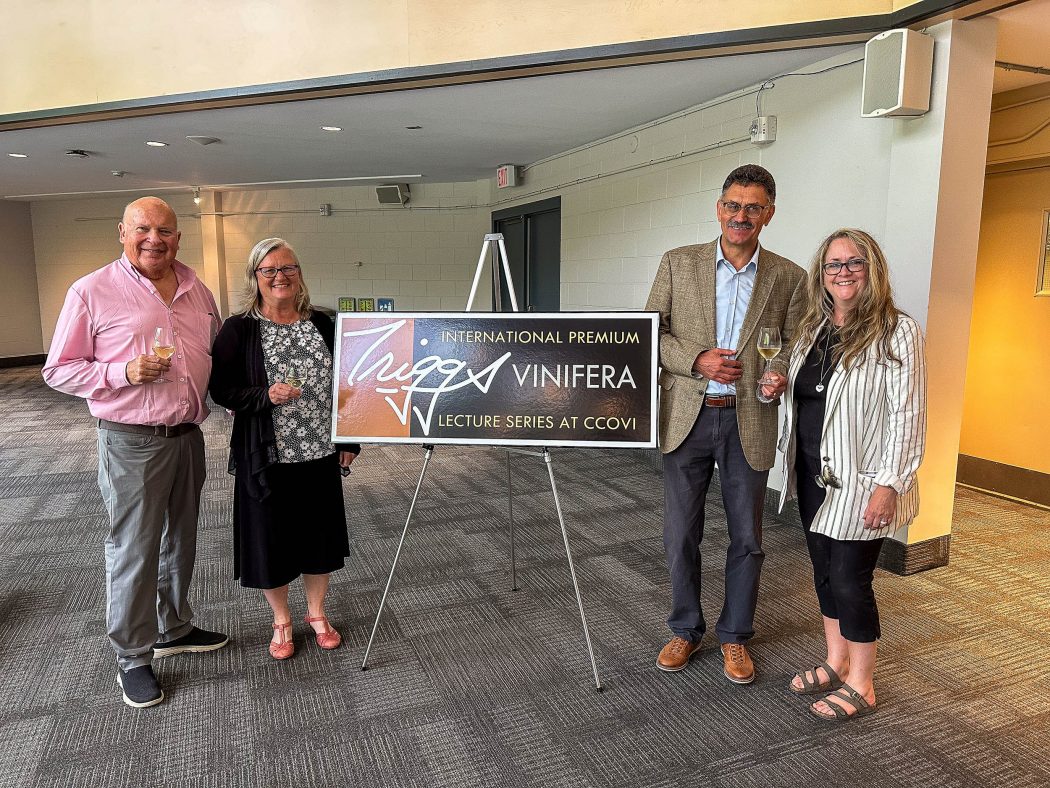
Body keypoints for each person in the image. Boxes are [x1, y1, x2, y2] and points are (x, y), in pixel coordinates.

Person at [43, 196, 228, 709]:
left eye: (165, 231)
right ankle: (132, 656)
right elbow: (58, 369)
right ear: (121, 232)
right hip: (130, 441)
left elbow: (213, 357)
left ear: (178, 238)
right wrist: (119, 373)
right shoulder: (91, 291)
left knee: (182, 541)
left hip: (187, 436)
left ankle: (173, 626)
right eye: (143, 229)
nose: (155, 239)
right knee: (135, 549)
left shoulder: (197, 288)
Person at [645, 165, 806, 683]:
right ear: (719, 208)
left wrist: (778, 373)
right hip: (687, 417)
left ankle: (736, 636)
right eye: (733, 206)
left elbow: (793, 342)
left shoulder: (788, 276)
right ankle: (685, 629)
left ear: (769, 214)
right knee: (680, 534)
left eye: (753, 207)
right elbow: (651, 333)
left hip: (749, 420)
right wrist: (696, 360)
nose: (741, 216)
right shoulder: (678, 264)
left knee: (748, 537)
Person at [767, 228, 926, 721]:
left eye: (854, 263)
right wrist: (778, 386)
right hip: (813, 474)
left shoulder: (896, 331)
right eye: (833, 265)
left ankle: (863, 682)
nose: (843, 272)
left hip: (863, 482)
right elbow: (811, 396)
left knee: (850, 579)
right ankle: (836, 661)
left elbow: (908, 415)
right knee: (822, 574)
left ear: (872, 269)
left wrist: (889, 484)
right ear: (822, 274)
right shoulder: (814, 328)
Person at [209, 238, 359, 661]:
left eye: (287, 268)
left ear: (299, 273)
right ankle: (281, 620)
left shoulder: (325, 323)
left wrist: (349, 437)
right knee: (270, 540)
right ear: (255, 277)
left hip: (319, 451)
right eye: (268, 270)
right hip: (266, 455)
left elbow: (348, 383)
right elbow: (220, 389)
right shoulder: (239, 328)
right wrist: (264, 396)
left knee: (319, 537)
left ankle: (316, 613)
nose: (279, 277)